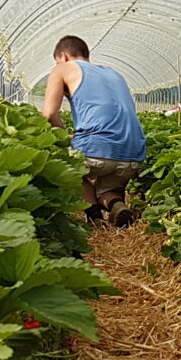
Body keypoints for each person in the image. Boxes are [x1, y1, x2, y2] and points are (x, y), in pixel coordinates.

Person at [41, 35, 146, 227]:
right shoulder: (114, 73)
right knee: (108, 188)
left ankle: (95, 217)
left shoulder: (62, 68)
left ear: (63, 56)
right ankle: (117, 205)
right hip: (133, 153)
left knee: (65, 167)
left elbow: (48, 114)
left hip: (97, 150)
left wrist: (63, 138)